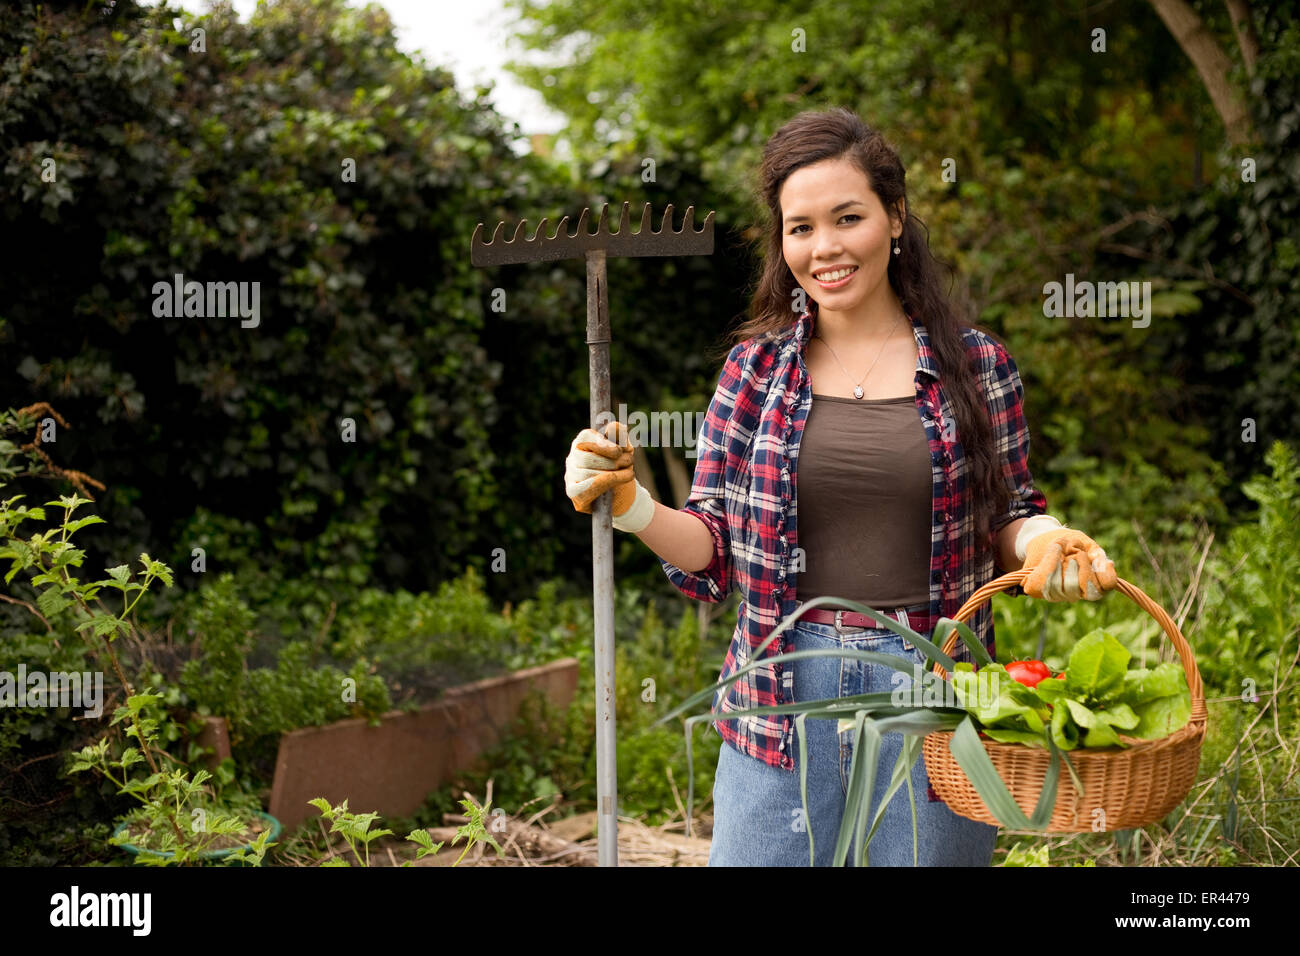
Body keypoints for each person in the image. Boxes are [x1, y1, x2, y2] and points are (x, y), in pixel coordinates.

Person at [562, 107, 1118, 866]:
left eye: (847, 217)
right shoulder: (754, 372)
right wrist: (628, 505)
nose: (824, 248)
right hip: (778, 702)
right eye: (800, 227)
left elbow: (1009, 518)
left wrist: (1046, 540)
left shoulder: (978, 365)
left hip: (933, 699)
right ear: (781, 240)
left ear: (893, 218)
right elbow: (713, 549)